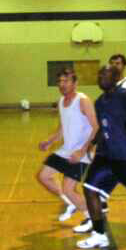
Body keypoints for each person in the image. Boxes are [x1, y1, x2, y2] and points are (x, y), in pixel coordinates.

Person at [74, 65, 126, 249]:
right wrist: (91, 144)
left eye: (105, 74)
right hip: (105, 155)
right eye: (99, 75)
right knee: (89, 188)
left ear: (115, 77)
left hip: (125, 157)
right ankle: (99, 234)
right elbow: (102, 127)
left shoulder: (125, 97)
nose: (101, 77)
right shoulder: (100, 102)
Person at [37, 68, 99, 222]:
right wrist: (49, 141)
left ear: (75, 83)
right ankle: (71, 204)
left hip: (81, 153)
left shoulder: (83, 100)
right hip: (65, 150)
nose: (62, 84)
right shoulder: (61, 101)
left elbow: (96, 127)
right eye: (60, 81)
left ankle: (92, 218)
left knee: (69, 189)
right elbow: (62, 127)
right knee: (44, 176)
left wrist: (82, 151)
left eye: (66, 81)